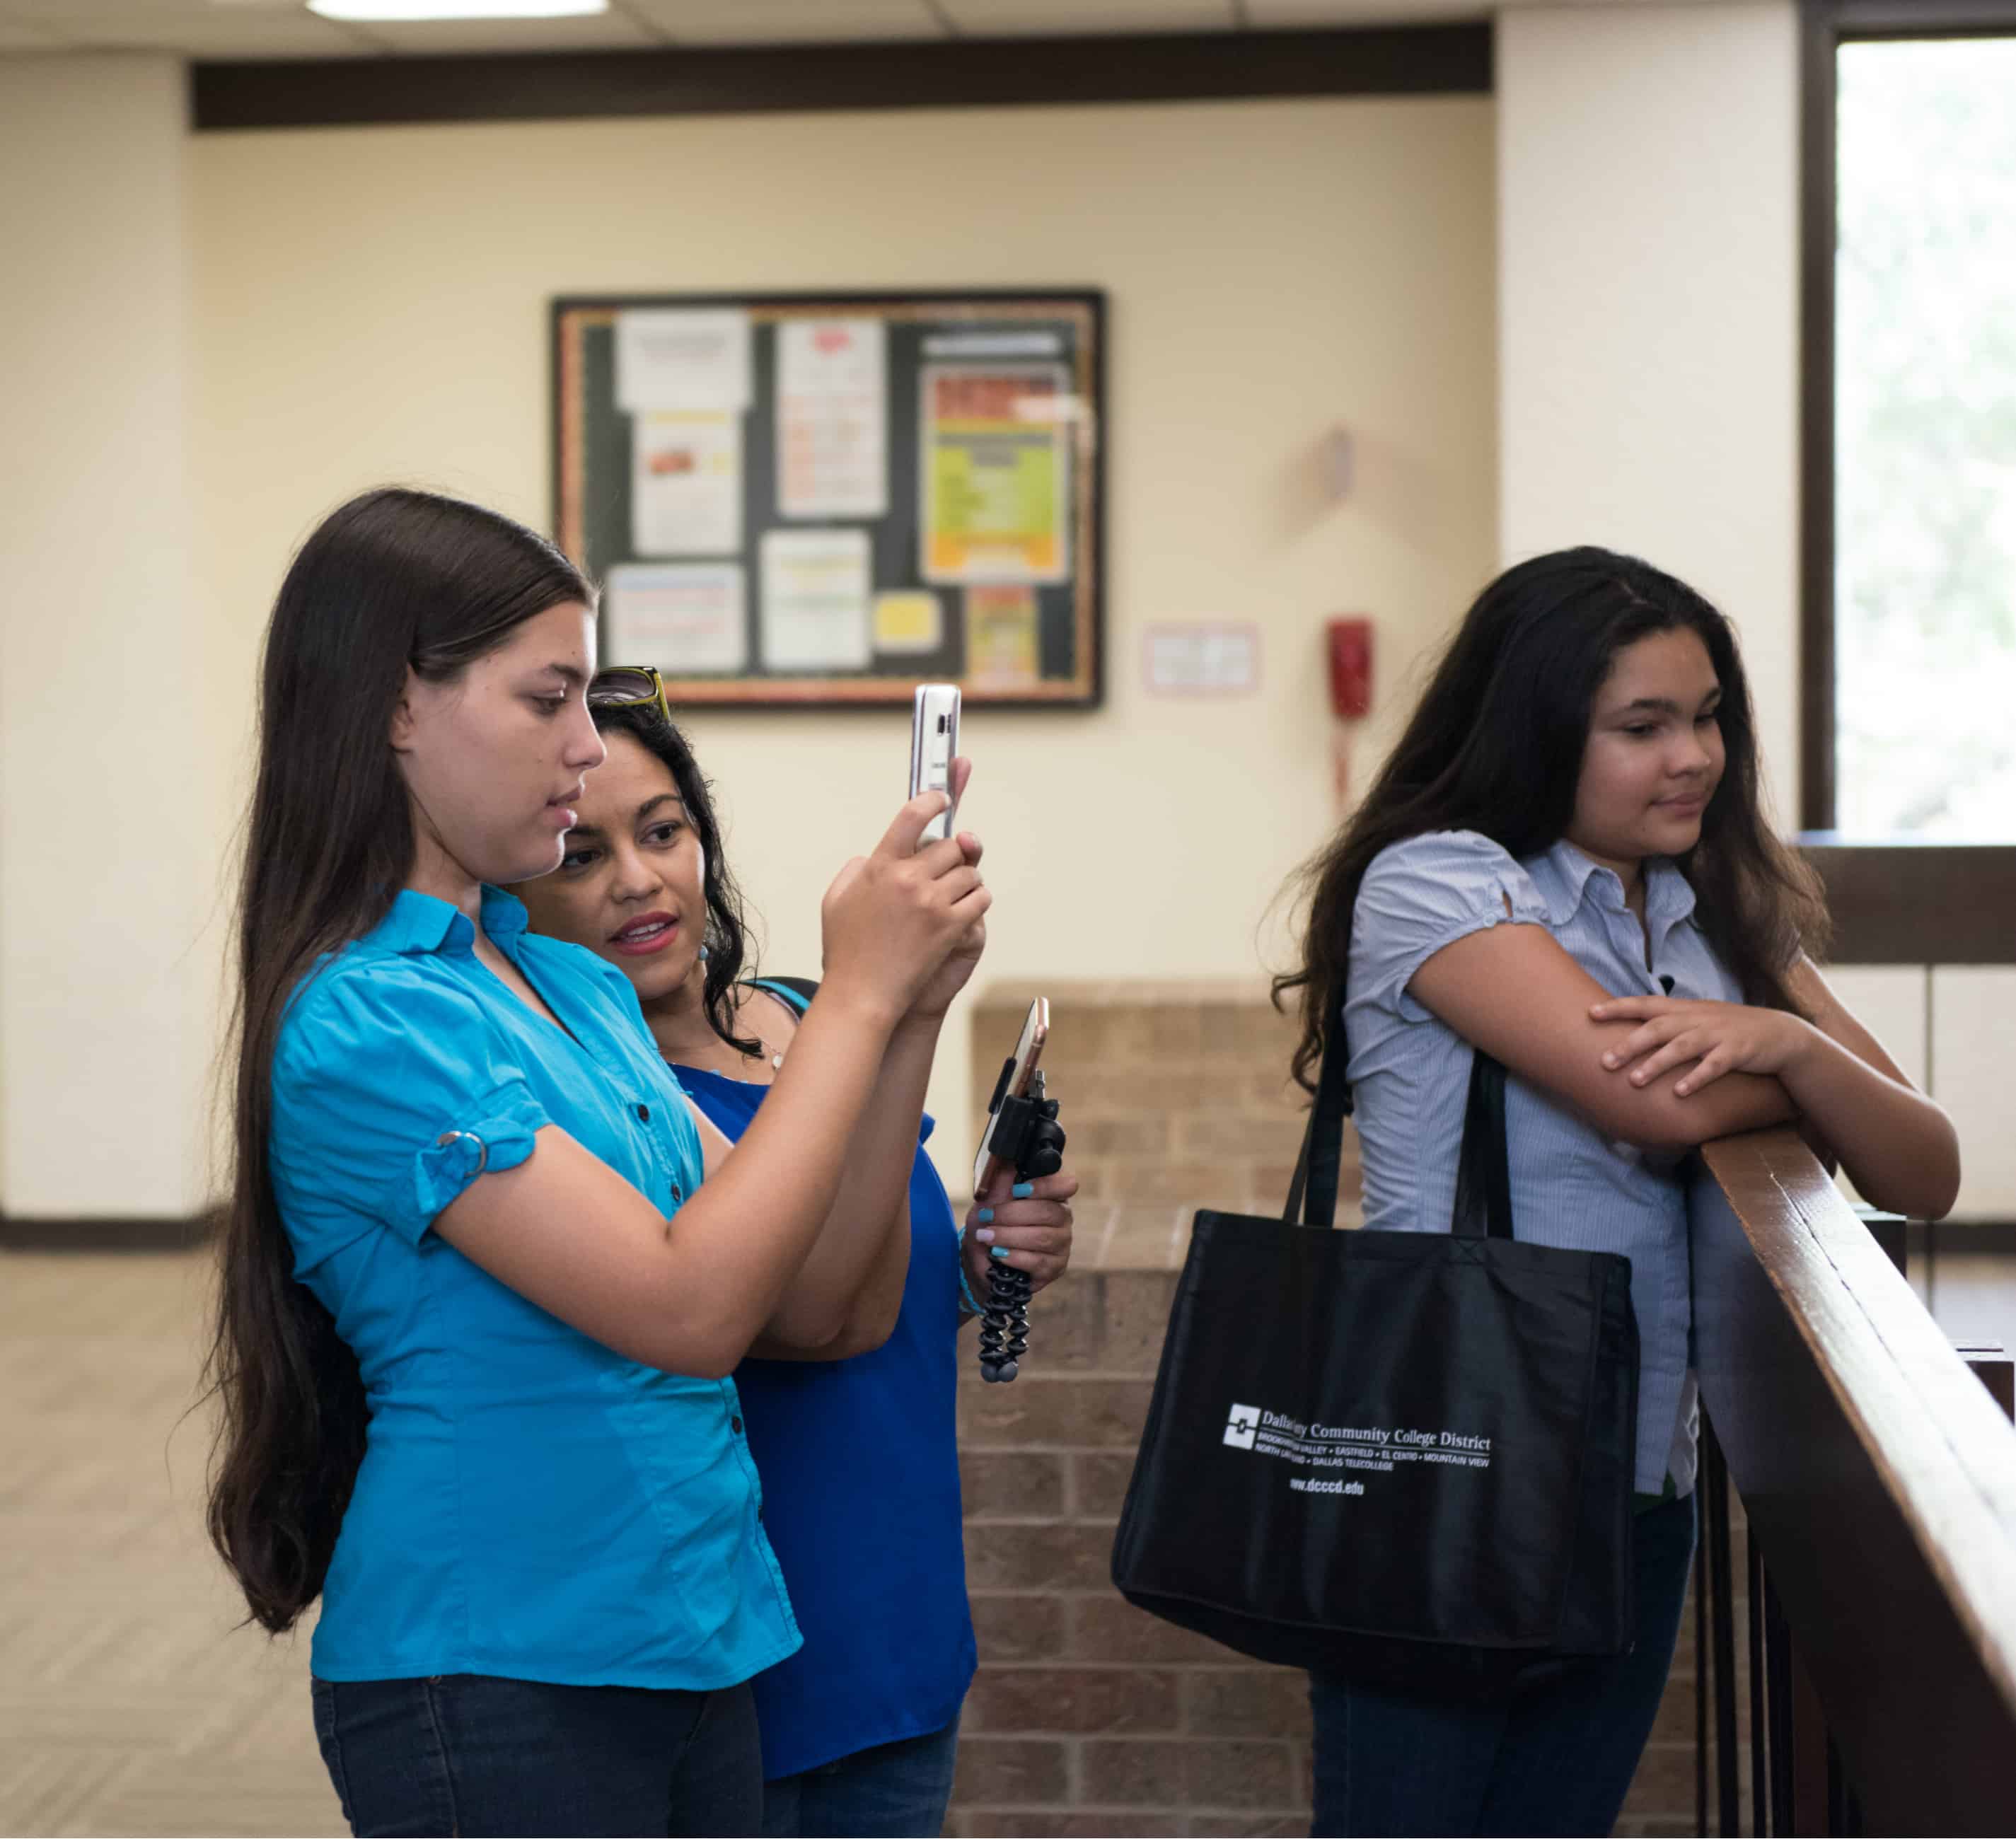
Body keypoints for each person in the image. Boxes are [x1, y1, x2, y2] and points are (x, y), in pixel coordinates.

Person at [204, 488, 990, 1838]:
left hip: (700, 1630)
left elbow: (813, 1306)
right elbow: (689, 1311)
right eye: (548, 699)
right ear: (398, 707)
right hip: (502, 1658)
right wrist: (854, 997)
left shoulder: (570, 983)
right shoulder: (368, 1019)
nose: (586, 749)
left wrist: (909, 1008)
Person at [1274, 546, 1959, 1838]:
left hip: (1638, 1478)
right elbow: (1643, 1099)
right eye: (1641, 726)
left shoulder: (1711, 903)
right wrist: (1786, 1065)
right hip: (1448, 1462)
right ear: (1537, 730)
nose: (1691, 756)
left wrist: (1787, 1046)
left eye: (1705, 718)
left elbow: (1920, 1162)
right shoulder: (1440, 879)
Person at [508, 668, 1077, 1839]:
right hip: (739, 1643)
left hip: (900, 1614)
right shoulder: (580, 1094)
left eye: (663, 831)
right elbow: (804, 1315)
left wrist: (973, 1268)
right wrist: (900, 1007)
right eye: (581, 853)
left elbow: (871, 1278)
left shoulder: (809, 1014)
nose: (638, 880)